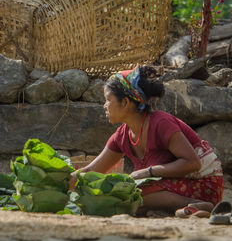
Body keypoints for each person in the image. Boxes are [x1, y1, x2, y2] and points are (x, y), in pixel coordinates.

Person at [71, 65, 223, 217]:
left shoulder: (161, 122)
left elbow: (192, 163)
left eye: (108, 100)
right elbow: (91, 170)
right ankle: (188, 210)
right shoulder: (122, 136)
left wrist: (147, 172)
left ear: (125, 103)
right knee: (126, 204)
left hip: (204, 184)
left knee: (132, 193)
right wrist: (58, 181)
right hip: (168, 188)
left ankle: (198, 204)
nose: (104, 106)